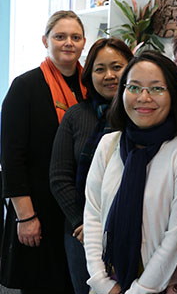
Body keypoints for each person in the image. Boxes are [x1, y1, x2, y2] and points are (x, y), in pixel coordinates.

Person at [84, 51, 177, 294]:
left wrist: (141, 289)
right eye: (134, 88)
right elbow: (93, 216)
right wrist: (102, 283)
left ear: (173, 95)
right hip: (107, 283)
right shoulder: (109, 145)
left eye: (157, 89)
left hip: (160, 285)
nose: (144, 98)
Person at [1, 10, 87, 293]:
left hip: (78, 210)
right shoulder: (25, 87)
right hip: (38, 208)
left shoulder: (93, 85)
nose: (68, 43)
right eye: (60, 36)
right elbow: (12, 157)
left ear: (84, 42)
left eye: (75, 37)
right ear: (45, 40)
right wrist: (25, 217)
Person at [50, 38, 133, 294]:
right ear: (89, 74)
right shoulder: (76, 116)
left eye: (117, 67)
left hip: (132, 228)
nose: (109, 75)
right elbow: (59, 177)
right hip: (81, 234)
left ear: (131, 67)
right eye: (99, 69)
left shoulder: (142, 113)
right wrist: (81, 224)